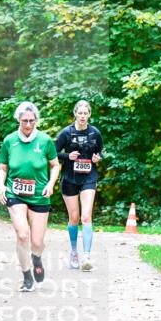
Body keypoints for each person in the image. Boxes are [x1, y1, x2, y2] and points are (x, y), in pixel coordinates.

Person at [0, 101, 60, 292]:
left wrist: (50, 184)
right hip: (15, 193)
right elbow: (3, 168)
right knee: (23, 234)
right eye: (24, 120)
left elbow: (55, 165)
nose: (28, 124)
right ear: (18, 119)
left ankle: (37, 258)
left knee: (37, 242)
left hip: (39, 194)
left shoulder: (45, 140)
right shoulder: (9, 141)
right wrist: (1, 187)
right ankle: (26, 277)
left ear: (36, 120)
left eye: (32, 120)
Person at [56, 100, 103, 271]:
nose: (82, 116)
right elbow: (53, 153)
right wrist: (68, 156)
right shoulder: (66, 133)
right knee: (74, 218)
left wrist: (98, 158)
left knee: (86, 216)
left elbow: (100, 151)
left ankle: (87, 256)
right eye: (80, 113)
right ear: (75, 113)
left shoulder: (95, 133)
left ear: (89, 114)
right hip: (69, 178)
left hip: (89, 177)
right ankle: (74, 252)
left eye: (85, 113)